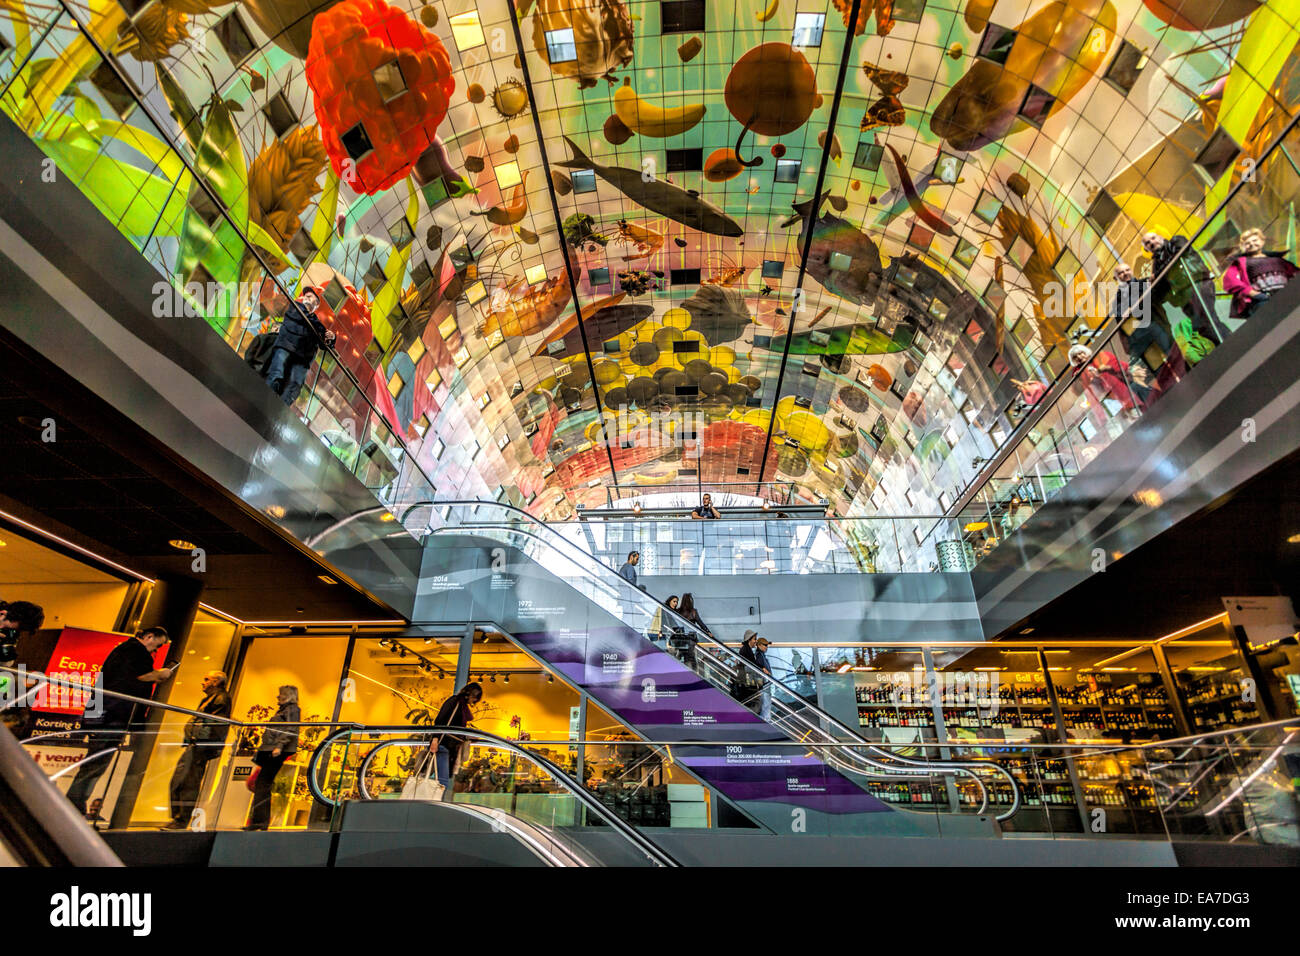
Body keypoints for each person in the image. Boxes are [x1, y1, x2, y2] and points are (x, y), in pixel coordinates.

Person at [66, 627, 175, 816]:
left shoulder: (125, 650)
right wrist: (160, 674)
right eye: (156, 645)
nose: (155, 651)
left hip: (106, 712)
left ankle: (75, 801)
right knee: (97, 761)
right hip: (114, 714)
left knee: (96, 761)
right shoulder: (134, 650)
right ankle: (73, 803)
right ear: (149, 637)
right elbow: (134, 678)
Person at [164, 670, 232, 829]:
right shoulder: (211, 699)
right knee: (180, 780)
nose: (203, 682)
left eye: (207, 679)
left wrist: (199, 739)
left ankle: (180, 820)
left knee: (187, 782)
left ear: (216, 682)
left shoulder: (221, 699)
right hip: (196, 744)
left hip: (201, 745)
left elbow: (214, 724)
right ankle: (178, 818)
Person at [1143, 230, 1226, 349]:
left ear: (1160, 237)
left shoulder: (1176, 241)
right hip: (1183, 296)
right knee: (1200, 326)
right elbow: (1161, 287)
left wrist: (1157, 276)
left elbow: (1177, 256)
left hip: (1197, 282)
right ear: (1146, 249)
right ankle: (1224, 343)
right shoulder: (1156, 265)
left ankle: (1227, 343)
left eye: (1153, 238)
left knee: (1207, 319)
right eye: (1147, 243)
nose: (1151, 242)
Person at [262, 287, 336, 406]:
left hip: (302, 358)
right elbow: (302, 318)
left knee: (295, 385)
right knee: (277, 374)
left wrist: (332, 338)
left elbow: (324, 343)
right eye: (306, 295)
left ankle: (279, 409)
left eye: (311, 296)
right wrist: (321, 330)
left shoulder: (315, 322)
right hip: (285, 347)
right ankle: (264, 403)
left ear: (316, 304)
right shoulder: (295, 307)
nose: (306, 297)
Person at [245, 685, 299, 830]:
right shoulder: (285, 710)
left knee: (263, 784)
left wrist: (279, 746)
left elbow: (291, 729)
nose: (277, 697)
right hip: (271, 749)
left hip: (276, 751)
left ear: (288, 696)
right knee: (262, 784)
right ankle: (258, 821)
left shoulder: (292, 710)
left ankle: (259, 822)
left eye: (280, 695)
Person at [1221, 228, 1299, 318]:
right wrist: (1253, 293)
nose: (1251, 244)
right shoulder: (1241, 262)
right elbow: (1230, 280)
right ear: (1243, 247)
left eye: (1255, 240)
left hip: (1287, 297)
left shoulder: (1277, 259)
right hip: (1263, 300)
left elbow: (1295, 273)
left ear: (1262, 241)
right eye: (1247, 243)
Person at [430, 681, 483, 794]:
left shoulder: (461, 706)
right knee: (442, 782)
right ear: (470, 694)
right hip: (443, 745)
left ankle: (435, 804)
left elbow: (457, 729)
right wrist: (435, 739)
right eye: (475, 698)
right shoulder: (455, 702)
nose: (474, 701)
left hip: (450, 748)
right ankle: (434, 806)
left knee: (443, 781)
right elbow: (440, 720)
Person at [754, 637, 775, 721]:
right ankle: (766, 723)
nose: (767, 647)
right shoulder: (759, 655)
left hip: (765, 685)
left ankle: (766, 722)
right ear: (759, 645)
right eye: (765, 645)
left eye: (767, 645)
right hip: (764, 685)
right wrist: (763, 669)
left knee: (766, 706)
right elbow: (758, 668)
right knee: (765, 706)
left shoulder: (761, 655)